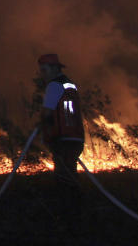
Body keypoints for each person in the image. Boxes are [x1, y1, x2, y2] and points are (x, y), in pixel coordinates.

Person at [38, 53, 85, 231]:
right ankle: (74, 218)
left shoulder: (54, 86)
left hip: (63, 139)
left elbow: (48, 112)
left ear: (54, 69)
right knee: (70, 176)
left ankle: (70, 221)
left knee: (64, 180)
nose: (42, 74)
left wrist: (41, 124)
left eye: (44, 70)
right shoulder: (69, 84)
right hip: (75, 137)